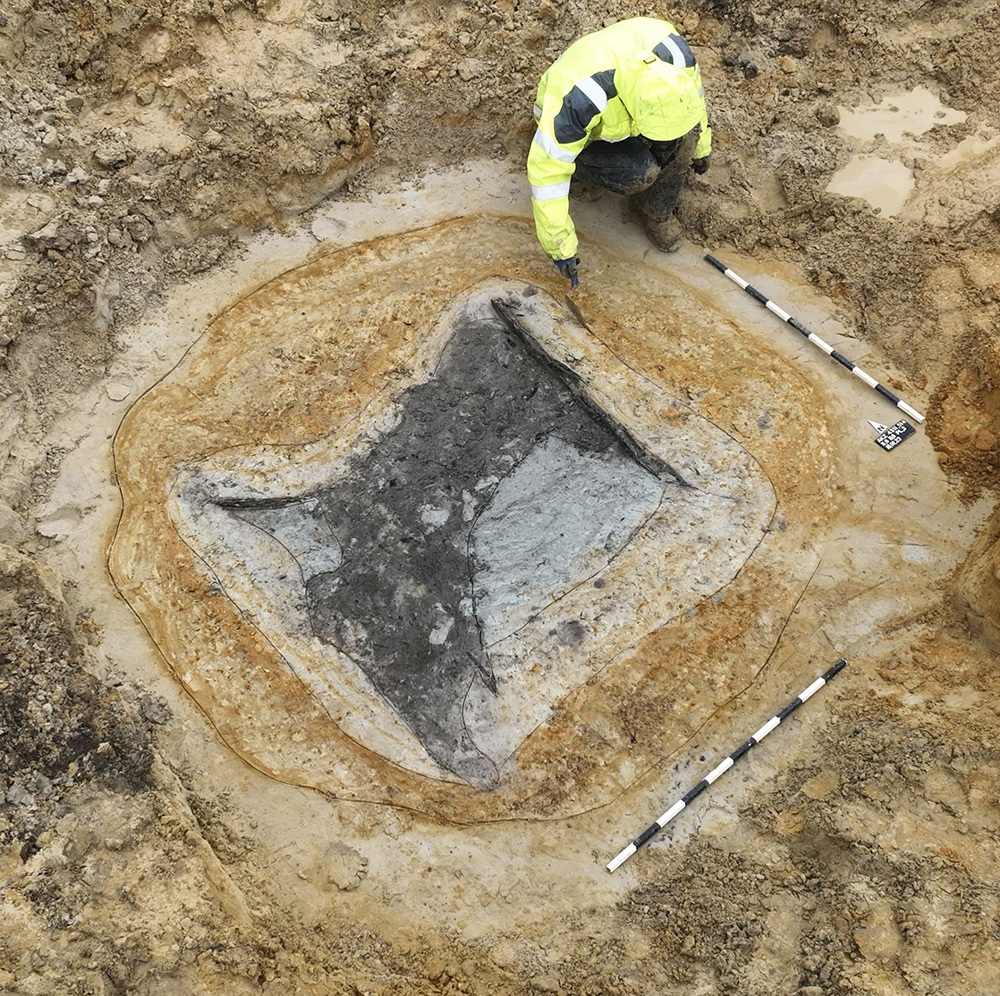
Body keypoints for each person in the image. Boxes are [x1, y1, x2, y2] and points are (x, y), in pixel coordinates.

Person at [527, 16, 712, 289]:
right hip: (582, 134)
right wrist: (560, 246)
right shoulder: (578, 101)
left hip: (625, 120)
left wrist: (702, 146)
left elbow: (692, 105)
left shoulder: (677, 59)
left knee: (689, 135)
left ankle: (656, 211)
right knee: (639, 172)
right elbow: (546, 171)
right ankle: (582, 175)